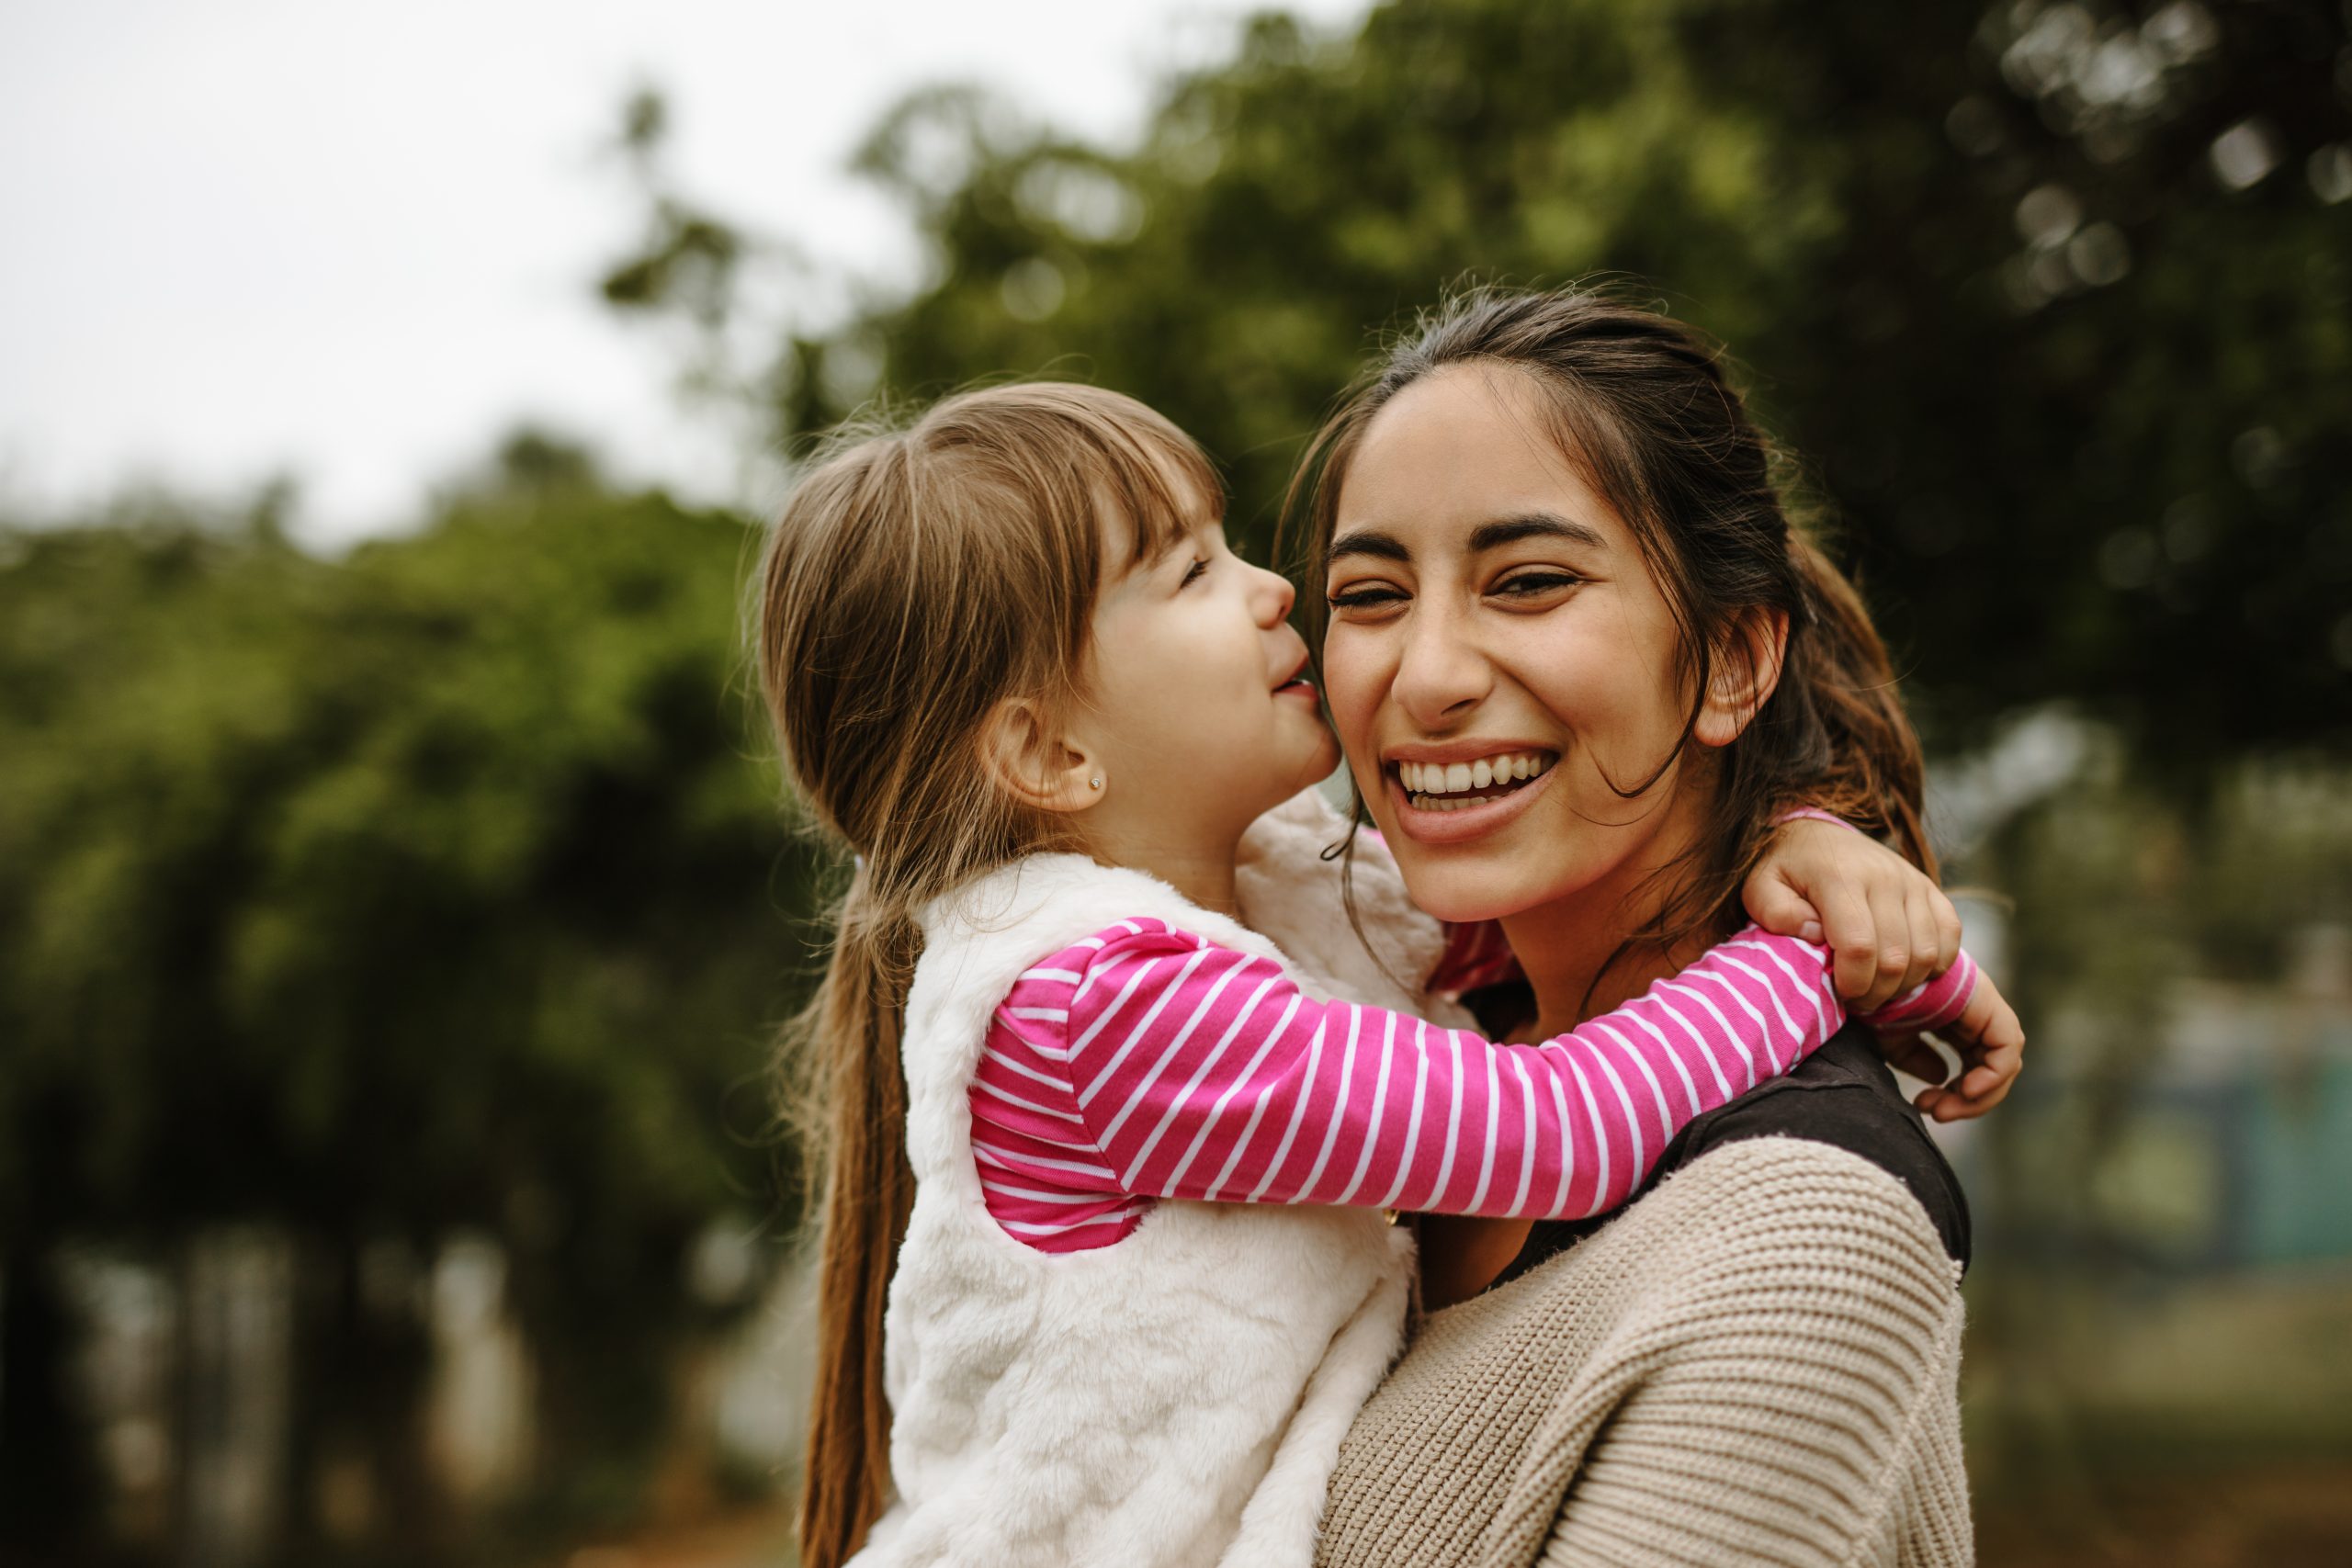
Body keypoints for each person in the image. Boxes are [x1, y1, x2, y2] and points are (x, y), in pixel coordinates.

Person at [751, 381, 2018, 1568]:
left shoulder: (1270, 891)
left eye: (1235, 547)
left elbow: (1545, 913)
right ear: (1048, 750)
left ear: (1734, 657)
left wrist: (1806, 838)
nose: (1269, 595)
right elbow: (1556, 1127)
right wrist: (1814, 955)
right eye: (1191, 573)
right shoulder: (1110, 1009)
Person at [1296, 287, 2019, 1565]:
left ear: (1734, 662)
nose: (1427, 675)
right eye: (1369, 596)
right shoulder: (1389, 1051)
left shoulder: (1802, 1231)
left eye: (1528, 582)